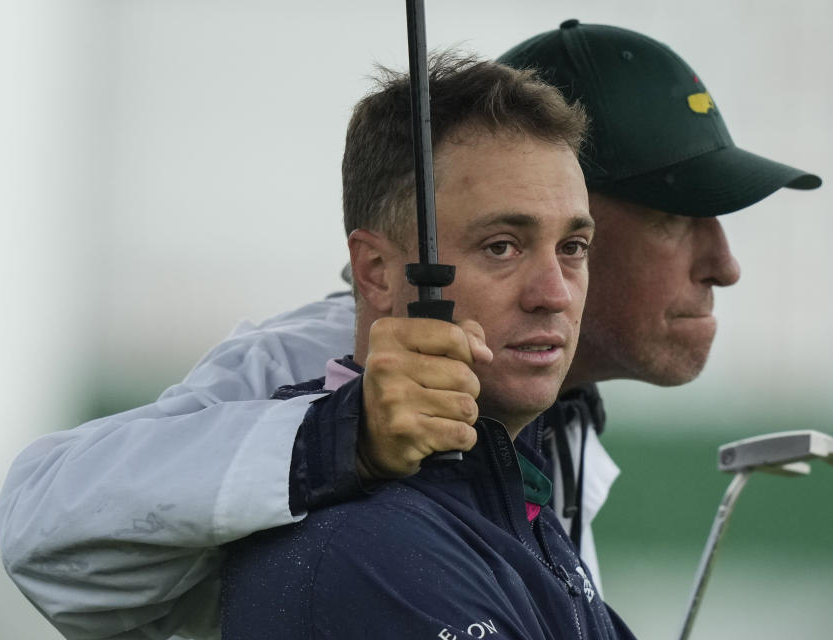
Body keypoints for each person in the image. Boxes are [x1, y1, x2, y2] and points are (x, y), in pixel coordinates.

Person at [0, 21, 820, 640]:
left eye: (572, 246)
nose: (723, 262)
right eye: (680, 217)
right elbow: (40, 527)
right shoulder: (328, 355)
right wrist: (341, 439)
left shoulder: (548, 418)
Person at [220, 55, 634, 639]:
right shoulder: (367, 547)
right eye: (501, 247)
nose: (553, 294)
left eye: (573, 246)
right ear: (377, 273)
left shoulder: (506, 484)